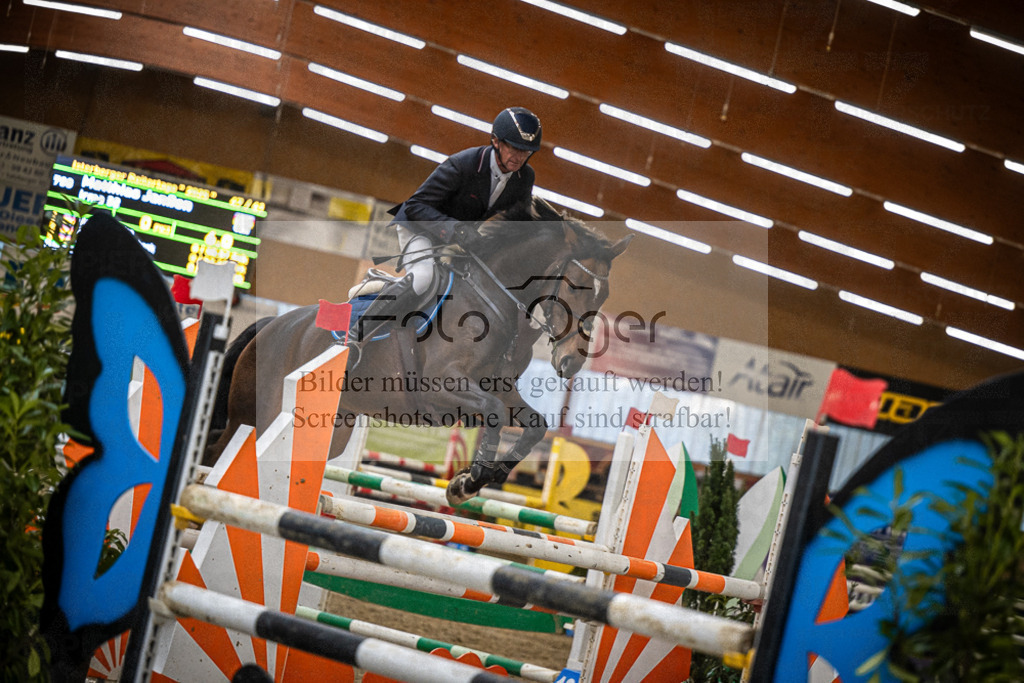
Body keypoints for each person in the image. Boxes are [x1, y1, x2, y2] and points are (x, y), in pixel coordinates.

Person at [352, 106, 543, 341]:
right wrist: (457, 229)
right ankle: (357, 334)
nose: (519, 156)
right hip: (419, 227)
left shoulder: (525, 177)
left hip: (458, 238)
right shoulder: (463, 164)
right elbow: (414, 206)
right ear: (496, 141)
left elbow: (519, 222)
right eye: (514, 147)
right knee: (424, 278)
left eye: (526, 151)